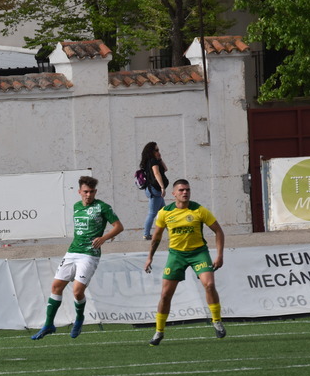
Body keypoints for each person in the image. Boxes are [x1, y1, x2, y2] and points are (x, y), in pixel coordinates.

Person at [32, 175, 124, 340]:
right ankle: (48, 324)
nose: (88, 195)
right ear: (79, 192)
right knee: (55, 287)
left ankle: (79, 318)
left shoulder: (103, 207)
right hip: (72, 252)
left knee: (77, 291)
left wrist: (104, 238)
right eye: (86, 192)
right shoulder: (76, 206)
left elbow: (119, 226)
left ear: (95, 192)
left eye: (91, 192)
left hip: (89, 254)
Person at [144, 179, 226, 345]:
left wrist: (219, 255)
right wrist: (150, 256)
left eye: (187, 189)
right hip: (176, 255)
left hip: (198, 253)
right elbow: (157, 237)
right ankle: (159, 331)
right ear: (173, 193)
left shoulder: (199, 210)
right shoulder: (165, 212)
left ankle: (216, 321)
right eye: (181, 190)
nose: (185, 192)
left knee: (209, 285)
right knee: (165, 295)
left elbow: (218, 231)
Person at [140, 142, 169, 240]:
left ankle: (172, 232)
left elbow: (165, 169)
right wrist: (162, 187)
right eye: (156, 150)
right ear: (151, 151)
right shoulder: (152, 161)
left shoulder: (151, 161)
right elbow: (157, 174)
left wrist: (160, 159)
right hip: (155, 190)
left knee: (164, 212)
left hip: (152, 190)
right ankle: (146, 234)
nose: (158, 152)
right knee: (152, 213)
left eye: (158, 150)